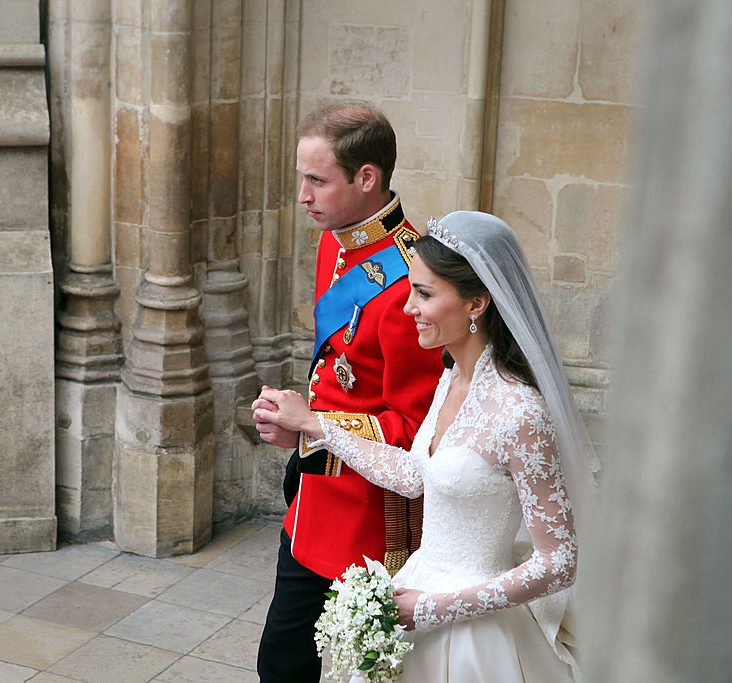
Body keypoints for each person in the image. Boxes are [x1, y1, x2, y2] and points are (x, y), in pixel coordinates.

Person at [254, 210, 598, 682]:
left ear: (476, 304)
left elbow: (558, 562)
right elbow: (415, 476)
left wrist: (436, 609)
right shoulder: (452, 377)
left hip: (475, 633)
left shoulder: (520, 412)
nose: (409, 308)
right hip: (416, 589)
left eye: (424, 293)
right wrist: (318, 426)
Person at [254, 103, 445, 683]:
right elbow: (337, 376)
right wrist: (298, 426)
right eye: (302, 179)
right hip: (314, 489)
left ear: (367, 178)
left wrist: (316, 426)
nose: (304, 195)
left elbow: (416, 433)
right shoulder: (336, 241)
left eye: (317, 180)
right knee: (283, 664)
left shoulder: (414, 282)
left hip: (365, 517)